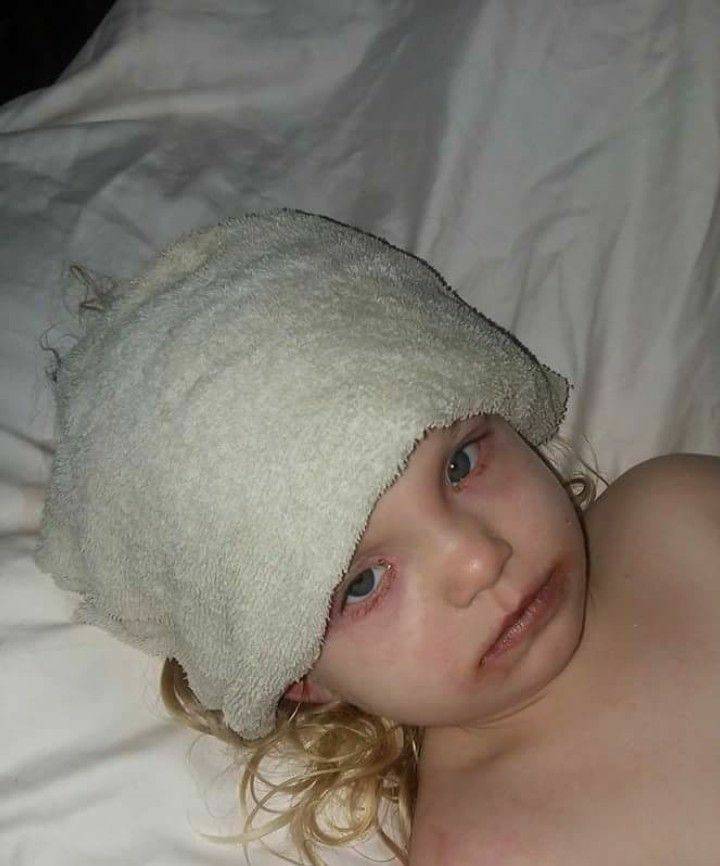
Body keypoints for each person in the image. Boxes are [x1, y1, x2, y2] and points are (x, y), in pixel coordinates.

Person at [42, 207, 717, 866]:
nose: (477, 559)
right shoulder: (488, 849)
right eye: (364, 583)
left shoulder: (673, 516)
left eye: (460, 465)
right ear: (300, 677)